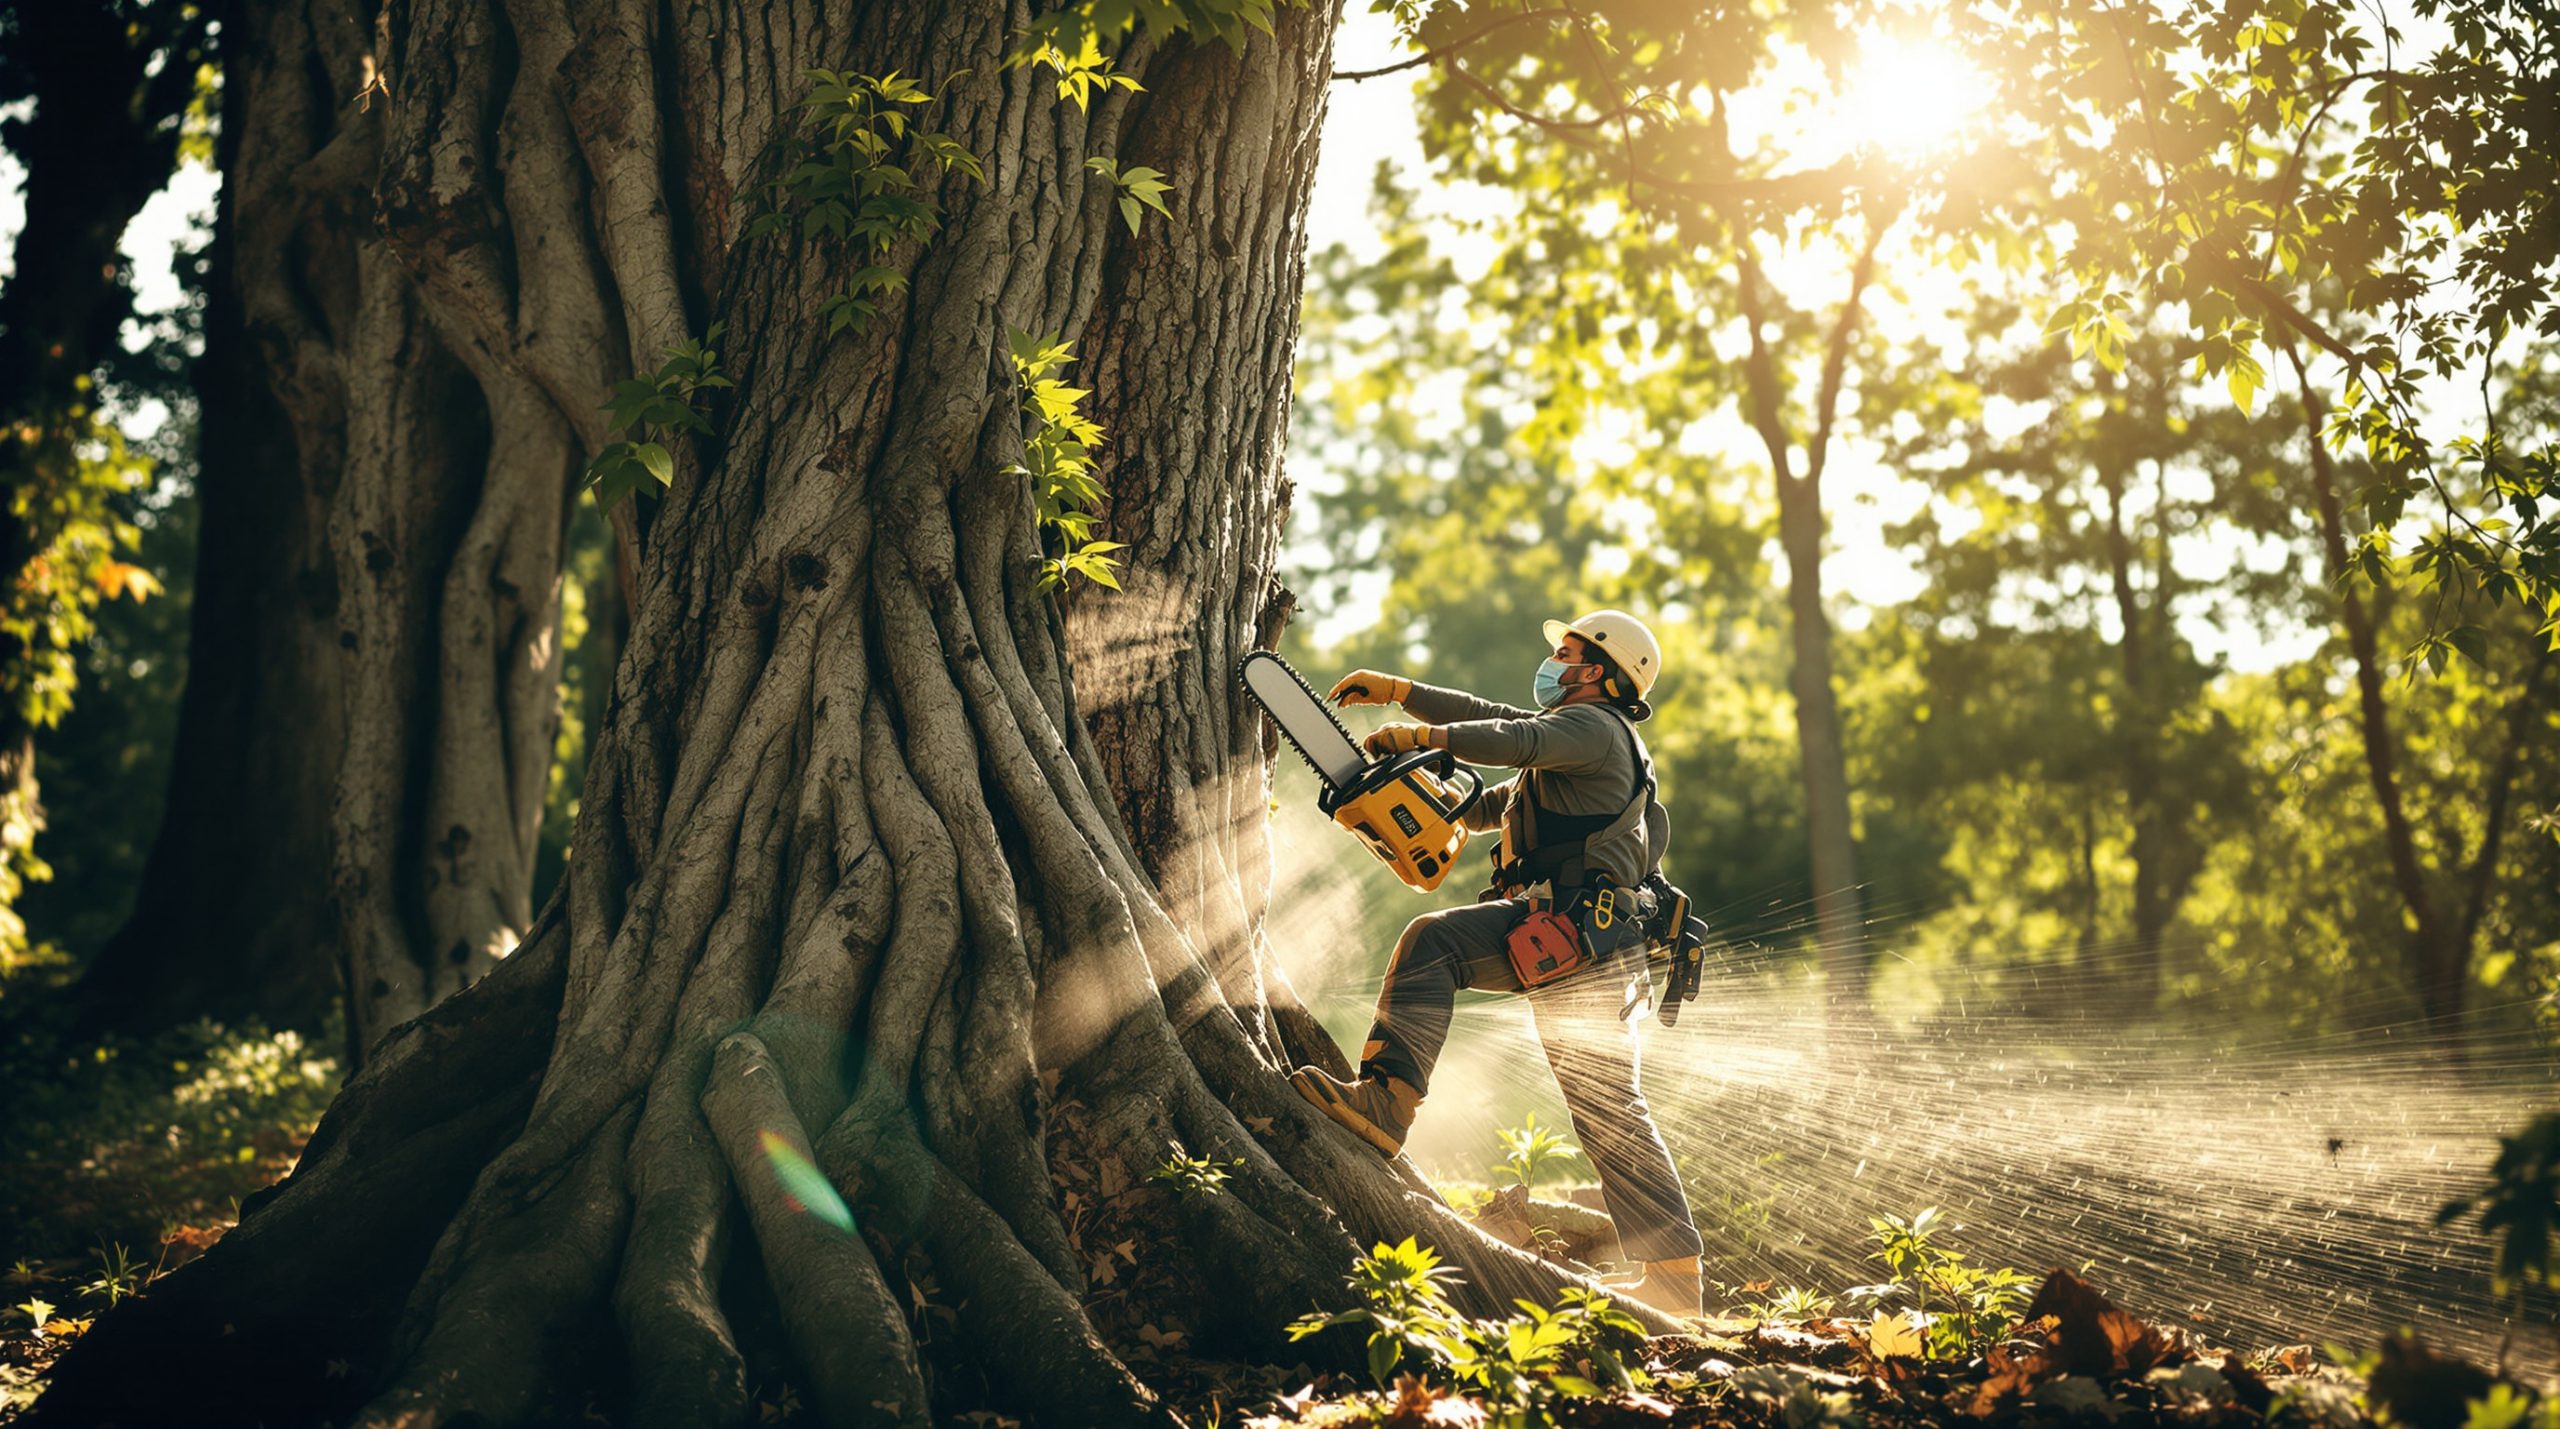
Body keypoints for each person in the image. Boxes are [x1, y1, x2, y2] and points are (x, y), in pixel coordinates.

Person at [1288, 610, 1707, 1318]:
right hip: (1577, 943)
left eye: (1567, 653)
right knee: (1609, 1110)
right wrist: (1402, 694)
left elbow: (1513, 737)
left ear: (1600, 672)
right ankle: (1675, 1277)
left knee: (1433, 944)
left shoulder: (1595, 729)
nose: (1555, 662)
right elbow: (1497, 783)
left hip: (1582, 938)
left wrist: (1422, 736)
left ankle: (1386, 1102)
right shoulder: (1575, 743)